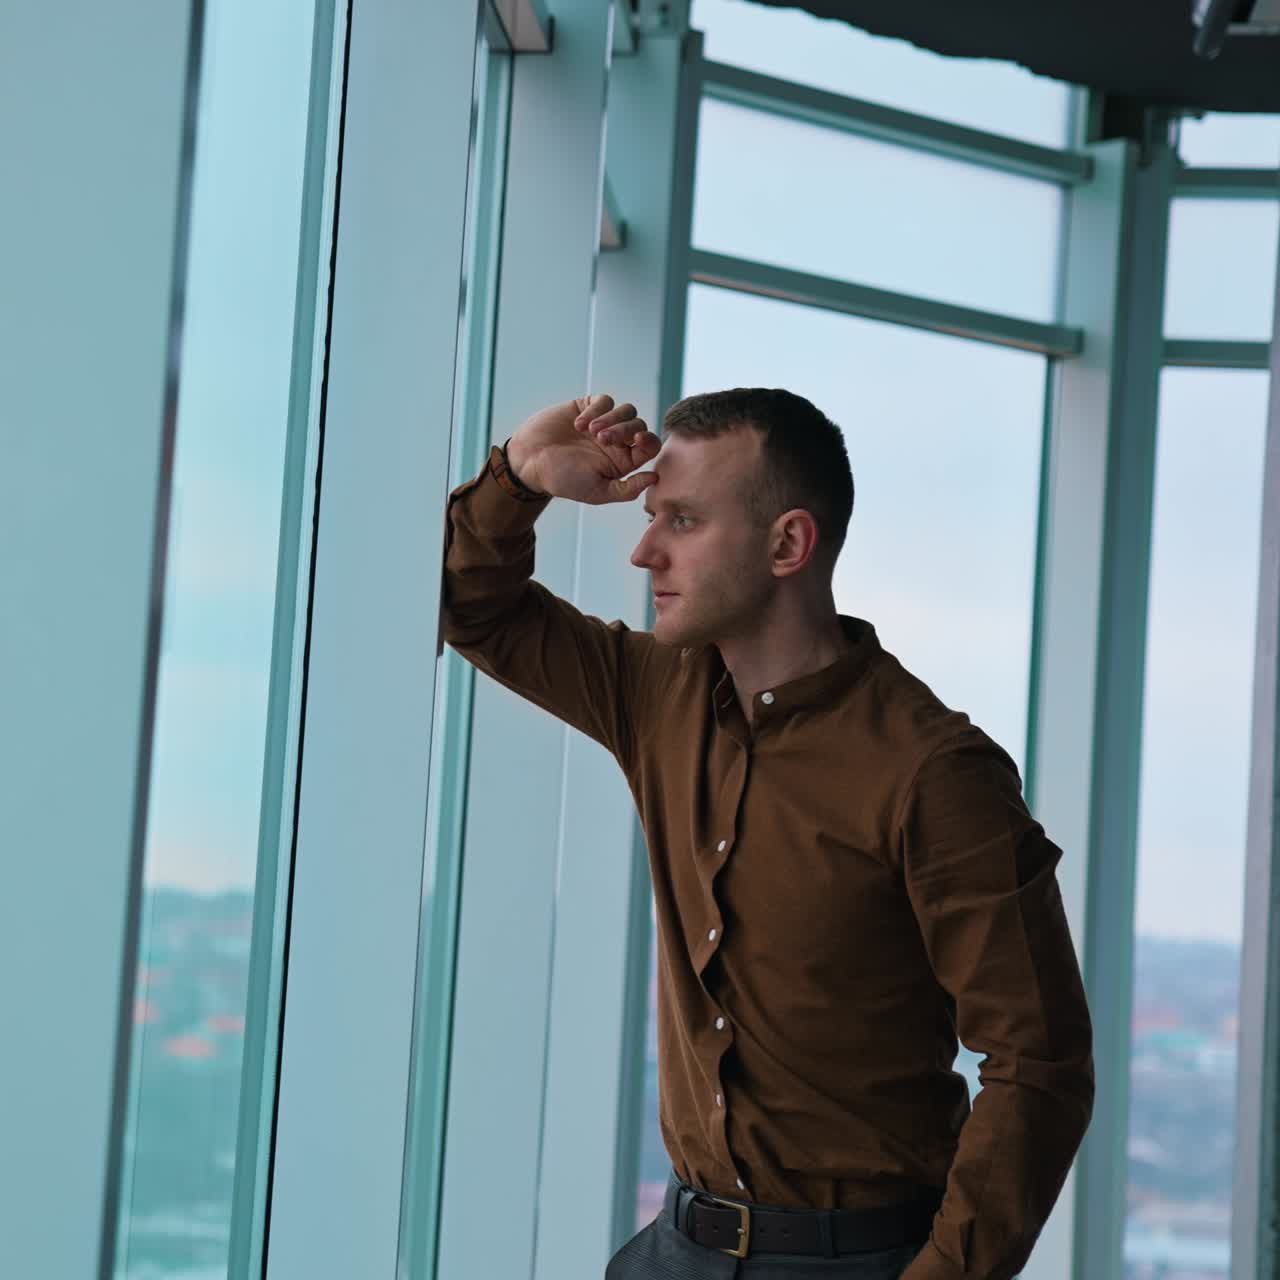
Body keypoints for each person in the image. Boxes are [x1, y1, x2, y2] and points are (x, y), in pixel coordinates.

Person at [441, 389, 1094, 1280]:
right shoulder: (656, 694)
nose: (644, 550)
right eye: (653, 517)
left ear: (788, 544)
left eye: (683, 520)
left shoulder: (935, 773)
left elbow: (1039, 1061)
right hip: (676, 1251)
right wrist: (518, 474)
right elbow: (472, 609)